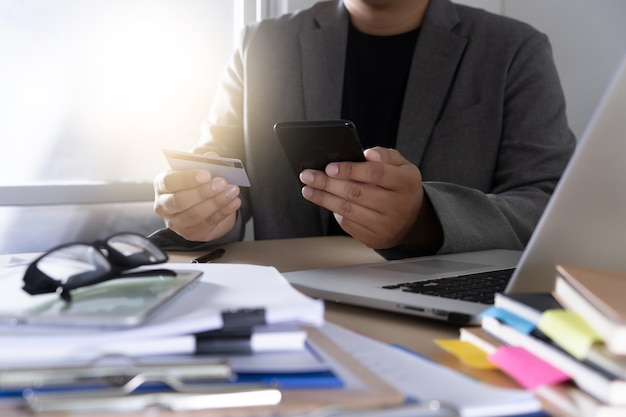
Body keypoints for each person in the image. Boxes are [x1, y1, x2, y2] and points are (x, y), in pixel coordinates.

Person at [151, 0, 576, 260]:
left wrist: (425, 220)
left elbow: (552, 207)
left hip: (445, 305)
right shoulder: (259, 44)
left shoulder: (514, 49)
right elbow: (222, 177)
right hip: (292, 299)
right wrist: (198, 210)